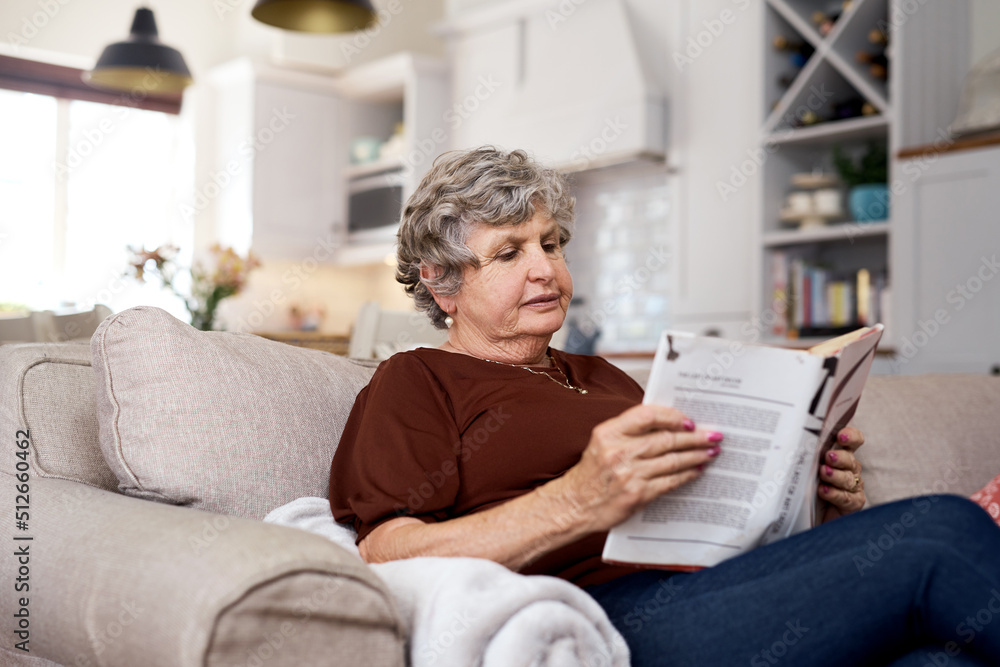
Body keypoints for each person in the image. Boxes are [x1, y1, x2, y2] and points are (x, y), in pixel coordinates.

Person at [331, 146, 1000, 666]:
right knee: (939, 528)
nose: (545, 269)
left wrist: (818, 497)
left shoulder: (605, 376)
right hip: (608, 617)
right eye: (509, 252)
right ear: (443, 283)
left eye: (551, 243)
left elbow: (713, 517)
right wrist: (576, 501)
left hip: (717, 590)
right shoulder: (418, 379)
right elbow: (388, 554)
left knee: (940, 658)